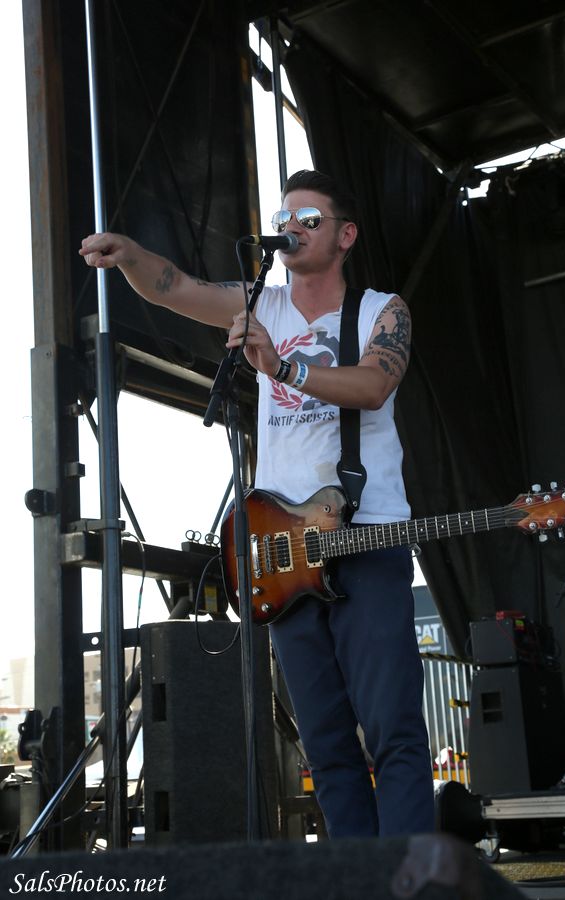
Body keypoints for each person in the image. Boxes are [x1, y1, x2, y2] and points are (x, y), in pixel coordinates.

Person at [80, 169, 434, 837]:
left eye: (309, 220)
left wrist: (283, 368)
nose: (292, 228)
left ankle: (411, 875)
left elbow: (373, 386)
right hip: (281, 554)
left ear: (346, 236)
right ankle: (354, 877)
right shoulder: (259, 302)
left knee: (393, 731)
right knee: (326, 744)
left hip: (366, 538)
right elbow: (173, 286)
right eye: (284, 219)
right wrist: (129, 254)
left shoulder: (380, 311)